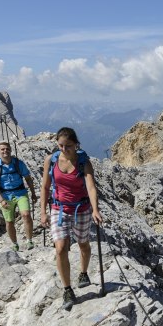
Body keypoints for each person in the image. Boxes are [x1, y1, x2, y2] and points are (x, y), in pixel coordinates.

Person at [41, 127, 103, 309]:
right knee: (60, 248)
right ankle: (67, 289)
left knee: (83, 244)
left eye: (68, 146)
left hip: (81, 209)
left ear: (76, 144)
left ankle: (83, 273)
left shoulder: (84, 162)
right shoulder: (50, 161)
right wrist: (43, 212)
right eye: (60, 145)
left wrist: (95, 209)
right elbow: (45, 187)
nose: (64, 149)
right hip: (58, 209)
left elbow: (91, 187)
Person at [0, 141, 38, 251]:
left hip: (21, 193)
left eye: (7, 149)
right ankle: (15, 244)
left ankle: (29, 241)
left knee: (26, 215)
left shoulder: (18, 163)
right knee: (9, 221)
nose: (5, 151)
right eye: (2, 149)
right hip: (5, 195)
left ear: (10, 150)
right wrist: (1, 200)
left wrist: (33, 193)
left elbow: (28, 178)